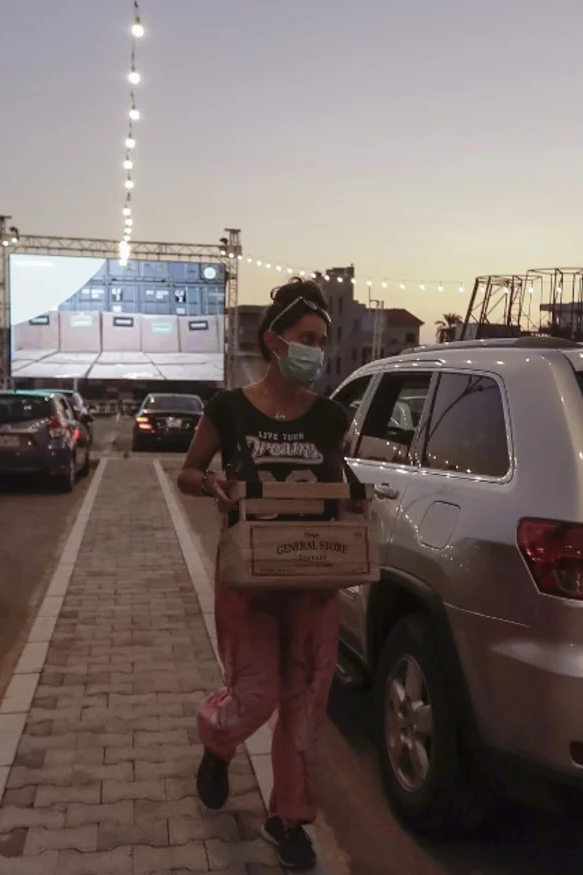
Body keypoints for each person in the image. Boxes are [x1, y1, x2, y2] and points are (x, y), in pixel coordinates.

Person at [177, 277, 351, 872]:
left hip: (314, 581)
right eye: (306, 338)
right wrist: (214, 485)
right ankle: (217, 738)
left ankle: (289, 819)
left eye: (322, 341)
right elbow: (189, 472)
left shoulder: (332, 418)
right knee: (257, 694)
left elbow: (343, 487)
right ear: (274, 341)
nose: (315, 351)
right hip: (248, 578)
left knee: (304, 708)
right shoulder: (227, 409)